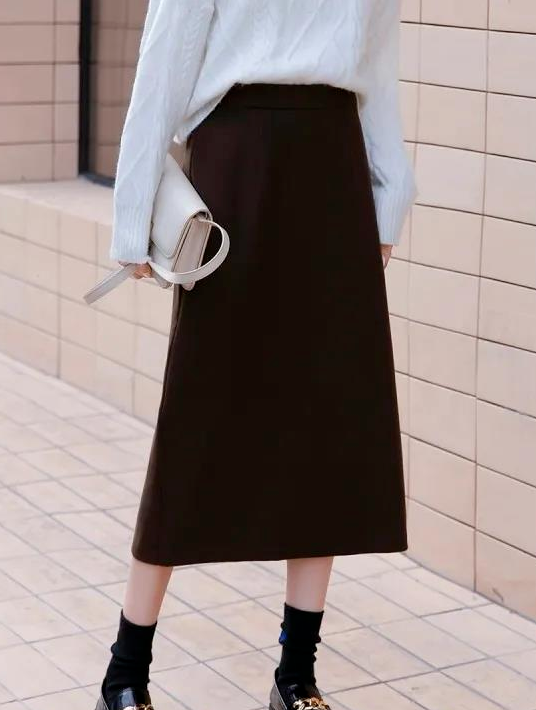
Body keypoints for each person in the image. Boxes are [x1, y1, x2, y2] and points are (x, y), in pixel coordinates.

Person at [96, 1, 418, 709]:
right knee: (196, 420)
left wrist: (389, 197)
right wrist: (132, 215)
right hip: (235, 169)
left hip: (334, 174)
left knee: (325, 422)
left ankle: (296, 676)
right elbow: (162, 69)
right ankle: (125, 674)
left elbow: (378, 71)